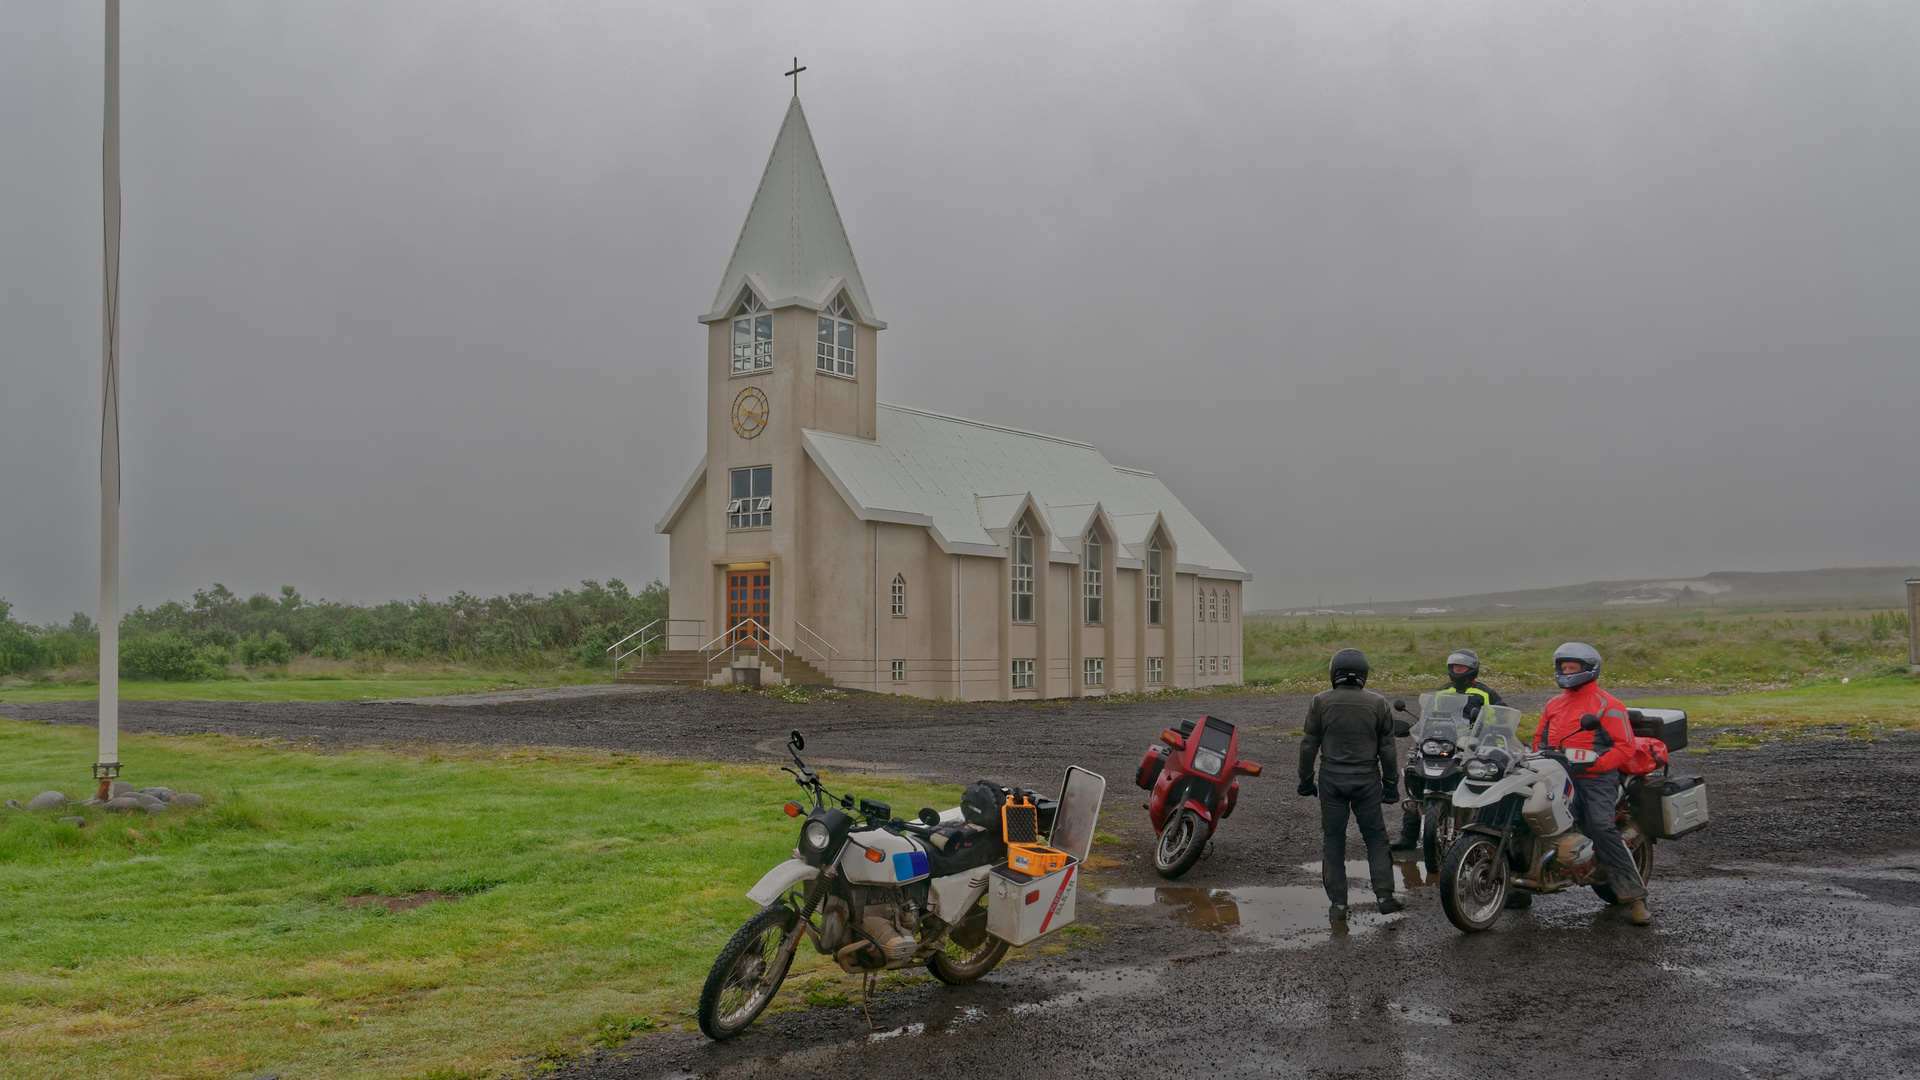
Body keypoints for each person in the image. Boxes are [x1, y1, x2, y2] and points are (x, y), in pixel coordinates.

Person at [1534, 642, 1652, 926]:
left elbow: (1624, 748)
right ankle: (1517, 889)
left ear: (1589, 670)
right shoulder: (1553, 703)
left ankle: (1635, 898)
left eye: (1572, 667)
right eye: (1563, 667)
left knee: (1600, 826)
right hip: (1557, 773)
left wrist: (1596, 765)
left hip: (1596, 778)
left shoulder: (1608, 705)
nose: (1566, 671)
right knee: (1529, 815)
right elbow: (1540, 739)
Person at [1298, 648, 1403, 920]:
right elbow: (1388, 748)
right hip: (1367, 780)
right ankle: (1385, 896)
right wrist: (1391, 784)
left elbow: (1309, 743)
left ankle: (1339, 905)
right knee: (1376, 839)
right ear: (1363, 675)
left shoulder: (1320, 701)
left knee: (1333, 841)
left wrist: (1306, 780)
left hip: (1332, 779)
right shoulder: (1378, 703)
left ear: (1334, 673)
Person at [1395, 648, 1507, 851]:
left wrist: (1496, 728)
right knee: (1415, 773)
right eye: (1454, 666)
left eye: (1462, 667)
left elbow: (1498, 718)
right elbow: (1426, 719)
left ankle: (1488, 838)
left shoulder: (1486, 694)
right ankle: (1408, 836)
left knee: (1488, 784)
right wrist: (1417, 729)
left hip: (1472, 746)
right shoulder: (1440, 693)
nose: (1458, 670)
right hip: (1444, 743)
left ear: (1472, 669)